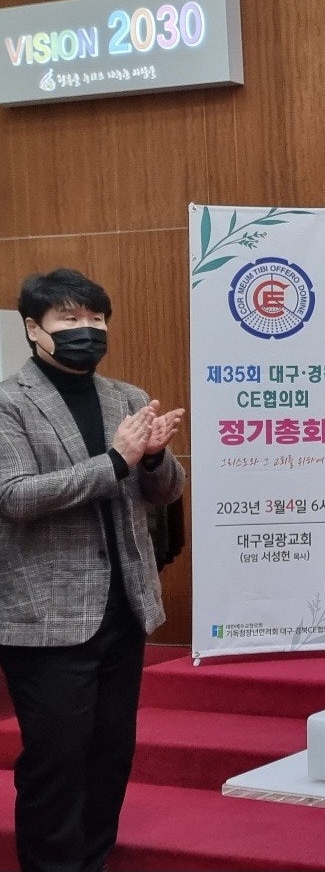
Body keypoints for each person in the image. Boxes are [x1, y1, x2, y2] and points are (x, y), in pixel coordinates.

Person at [0, 268, 186, 872]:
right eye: (70, 318)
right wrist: (116, 461)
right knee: (56, 761)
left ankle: (94, 861)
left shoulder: (126, 397)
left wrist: (153, 459)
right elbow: (15, 497)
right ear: (34, 329)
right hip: (45, 617)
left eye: (96, 318)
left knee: (111, 754)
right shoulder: (8, 403)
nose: (87, 329)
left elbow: (164, 492)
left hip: (123, 606)